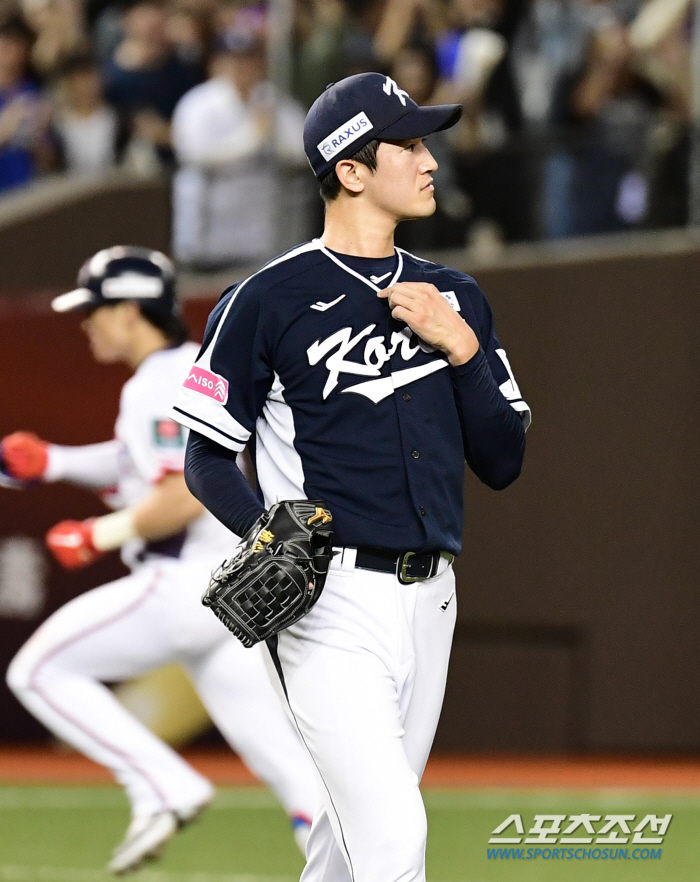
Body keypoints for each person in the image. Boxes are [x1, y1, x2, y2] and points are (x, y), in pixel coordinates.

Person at [174, 72, 530, 882]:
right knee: (394, 837)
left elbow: (504, 460)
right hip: (327, 603)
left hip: (432, 597)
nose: (429, 159)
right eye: (408, 145)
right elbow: (204, 458)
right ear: (352, 170)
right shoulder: (265, 300)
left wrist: (461, 346)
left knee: (350, 844)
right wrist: (268, 537)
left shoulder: (457, 296)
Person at [3, 247, 318, 875]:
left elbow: (185, 491)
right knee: (290, 768)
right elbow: (137, 460)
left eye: (94, 310)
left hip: (186, 582)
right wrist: (56, 464)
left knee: (36, 673)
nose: (87, 323)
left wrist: (100, 532)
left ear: (127, 310)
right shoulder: (183, 372)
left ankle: (165, 786)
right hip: (232, 588)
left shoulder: (159, 383)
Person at [171, 29, 307, 268]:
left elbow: (304, 150)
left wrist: (273, 139)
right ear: (218, 63)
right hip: (209, 239)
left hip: (264, 238)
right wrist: (252, 138)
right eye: (234, 59)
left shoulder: (273, 101)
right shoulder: (198, 103)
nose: (242, 67)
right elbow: (194, 153)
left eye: (249, 59)